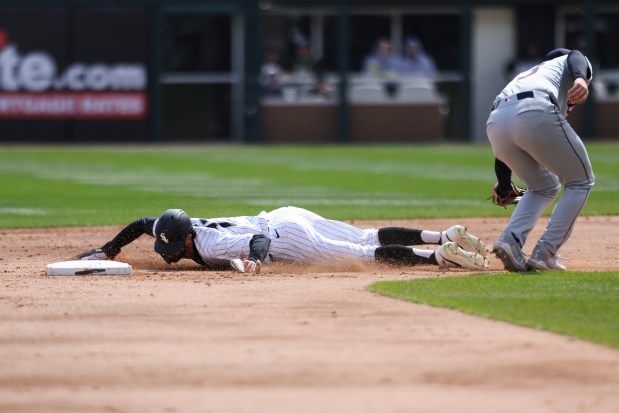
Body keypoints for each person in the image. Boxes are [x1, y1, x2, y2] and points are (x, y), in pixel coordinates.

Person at [76, 206, 490, 272]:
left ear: (184, 240)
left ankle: (440, 257)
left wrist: (256, 262)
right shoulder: (179, 224)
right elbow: (141, 221)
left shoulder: (210, 246)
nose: (169, 254)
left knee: (363, 253)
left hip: (286, 236)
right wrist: (110, 249)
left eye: (172, 248)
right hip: (285, 212)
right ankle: (442, 234)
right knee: (365, 233)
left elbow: (257, 239)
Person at [486, 48, 594, 272]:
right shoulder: (568, 63)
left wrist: (505, 186)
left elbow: (503, 151)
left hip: (495, 122)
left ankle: (510, 240)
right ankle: (545, 252)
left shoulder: (527, 76)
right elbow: (576, 55)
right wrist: (581, 79)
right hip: (534, 109)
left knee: (544, 186)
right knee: (580, 181)